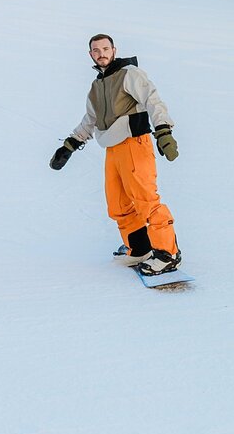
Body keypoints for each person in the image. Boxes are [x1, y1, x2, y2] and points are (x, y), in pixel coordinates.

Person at [49, 34, 183, 276]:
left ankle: (167, 253)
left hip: (134, 143)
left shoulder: (129, 73)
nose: (101, 53)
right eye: (96, 50)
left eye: (105, 48)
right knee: (118, 204)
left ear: (114, 50)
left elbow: (152, 100)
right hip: (112, 148)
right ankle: (140, 248)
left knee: (146, 200)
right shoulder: (96, 86)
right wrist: (69, 145)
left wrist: (163, 130)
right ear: (90, 54)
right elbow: (90, 120)